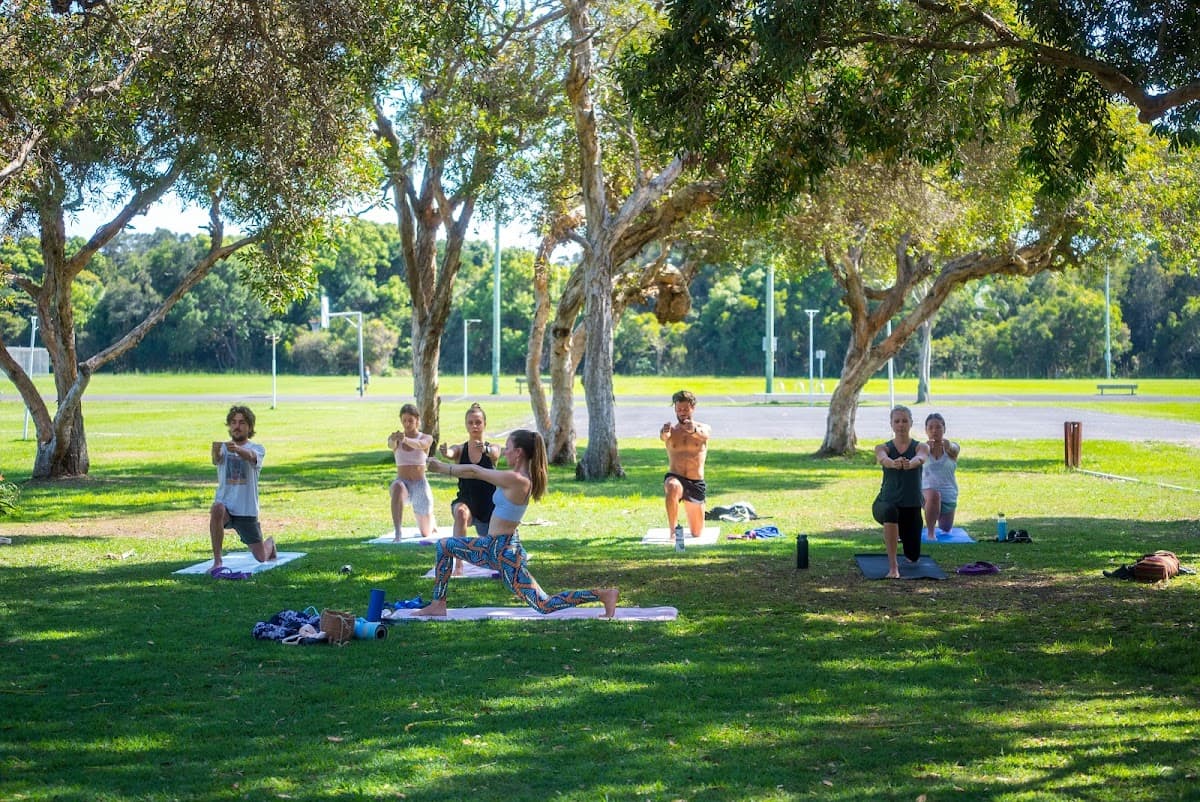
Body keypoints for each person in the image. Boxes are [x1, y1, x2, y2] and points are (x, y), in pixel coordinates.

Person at [417, 428, 618, 617]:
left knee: (544, 604)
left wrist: (443, 468)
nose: (505, 453)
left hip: (500, 551)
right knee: (444, 546)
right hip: (501, 547)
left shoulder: (518, 479)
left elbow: (475, 471)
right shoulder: (519, 478)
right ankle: (438, 604)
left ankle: (602, 594)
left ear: (519, 452)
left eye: (509, 449)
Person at [209, 405, 275, 572]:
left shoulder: (257, 449)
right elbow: (216, 459)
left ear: (250, 427)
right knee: (216, 508)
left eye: (242, 423)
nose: (236, 426)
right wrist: (215, 451)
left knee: (261, 558)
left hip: (246, 511)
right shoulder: (224, 448)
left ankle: (270, 544)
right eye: (233, 422)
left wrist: (237, 449)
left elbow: (252, 457)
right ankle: (217, 561)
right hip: (226, 507)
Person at [872, 405, 929, 579]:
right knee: (890, 512)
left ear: (911, 423)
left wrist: (909, 464)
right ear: (891, 424)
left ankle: (899, 533)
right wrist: (893, 463)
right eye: (897, 421)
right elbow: (883, 458)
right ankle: (893, 567)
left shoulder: (921, 446)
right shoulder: (883, 447)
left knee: (913, 556)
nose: (901, 425)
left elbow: (920, 458)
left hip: (910, 506)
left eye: (904, 421)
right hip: (885, 503)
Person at [440, 402, 501, 538]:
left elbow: (495, 453)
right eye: (470, 422)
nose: (474, 426)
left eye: (478, 422)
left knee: (490, 551)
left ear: (485, 424)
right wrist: (446, 453)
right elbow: (452, 452)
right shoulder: (461, 449)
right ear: (466, 425)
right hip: (465, 500)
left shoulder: (493, 447)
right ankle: (459, 558)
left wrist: (486, 449)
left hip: (489, 506)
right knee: (461, 512)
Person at [661, 389, 711, 538]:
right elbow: (663, 437)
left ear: (692, 408)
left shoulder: (702, 428)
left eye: (685, 409)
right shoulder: (670, 430)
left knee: (697, 533)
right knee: (673, 486)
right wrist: (665, 434)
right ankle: (673, 530)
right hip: (675, 476)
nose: (682, 412)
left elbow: (705, 435)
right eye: (679, 409)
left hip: (695, 482)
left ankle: (694, 516)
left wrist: (693, 430)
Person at [388, 403, 437, 540]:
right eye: (404, 421)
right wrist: (394, 440)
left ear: (417, 420)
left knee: (426, 533)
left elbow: (420, 445)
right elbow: (391, 445)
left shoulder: (425, 438)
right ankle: (398, 531)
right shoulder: (397, 438)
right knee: (397, 486)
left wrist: (405, 439)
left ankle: (431, 520)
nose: (407, 424)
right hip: (402, 483)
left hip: (419, 484)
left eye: (410, 420)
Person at [921, 412, 961, 541]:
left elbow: (954, 448)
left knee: (945, 528)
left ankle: (937, 515)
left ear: (944, 429)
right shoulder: (922, 448)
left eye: (938, 427)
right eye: (930, 427)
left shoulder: (951, 448)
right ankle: (931, 534)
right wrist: (925, 450)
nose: (934, 431)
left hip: (948, 495)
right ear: (926, 430)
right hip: (925, 493)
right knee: (934, 495)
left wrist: (947, 445)